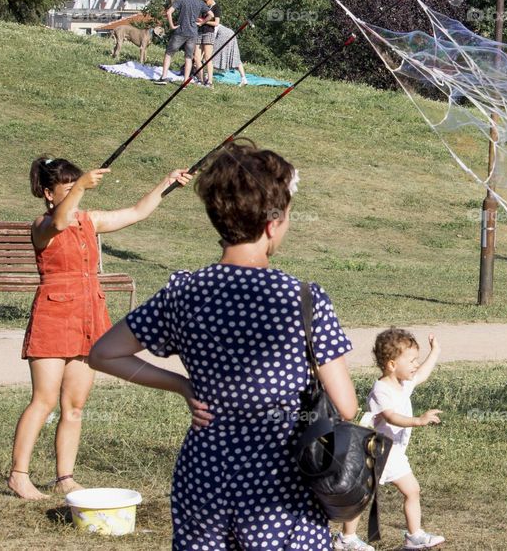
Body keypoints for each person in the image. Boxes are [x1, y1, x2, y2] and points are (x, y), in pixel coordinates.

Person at [89, 140, 358, 549]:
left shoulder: (183, 290)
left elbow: (104, 353)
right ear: (272, 224)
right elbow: (346, 405)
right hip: (279, 478)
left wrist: (182, 385)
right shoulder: (302, 297)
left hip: (205, 469)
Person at [7, 158, 191, 500]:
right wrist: (80, 187)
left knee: (74, 405)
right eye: (68, 187)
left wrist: (167, 183)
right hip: (53, 316)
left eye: (77, 186)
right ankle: (19, 476)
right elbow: (59, 221)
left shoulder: (89, 221)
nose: (79, 194)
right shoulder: (42, 223)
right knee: (44, 400)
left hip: (89, 315)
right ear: (48, 193)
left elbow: (136, 212)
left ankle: (65, 477)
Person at [335, 329, 444, 551]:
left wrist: (435, 352)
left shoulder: (404, 383)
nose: (416, 364)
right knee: (362, 496)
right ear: (392, 365)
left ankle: (414, 536)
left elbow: (422, 374)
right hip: (376, 453)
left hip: (393, 454)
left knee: (412, 490)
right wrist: (418, 420)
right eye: (412, 360)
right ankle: (346, 539)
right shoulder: (381, 390)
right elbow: (391, 417)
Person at [155, 0, 213, 85]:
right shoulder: (199, 2)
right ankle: (185, 81)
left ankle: (163, 77)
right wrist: (202, 22)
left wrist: (172, 25)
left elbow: (169, 12)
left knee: (169, 54)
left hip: (180, 31)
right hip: (193, 33)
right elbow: (211, 15)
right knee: (189, 57)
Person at [193, 0, 222, 88]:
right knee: (197, 57)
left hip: (208, 33)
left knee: (207, 58)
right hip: (199, 32)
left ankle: (210, 81)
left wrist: (204, 21)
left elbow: (216, 23)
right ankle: (200, 79)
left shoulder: (216, 7)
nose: (204, 2)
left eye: (205, 0)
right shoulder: (204, 6)